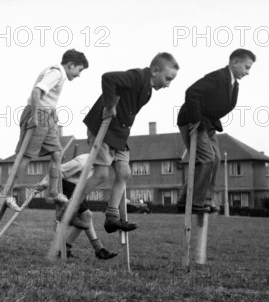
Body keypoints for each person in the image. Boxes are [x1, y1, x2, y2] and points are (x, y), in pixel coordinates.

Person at [79, 52, 180, 233]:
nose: (168, 84)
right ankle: (72, 204)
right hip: (103, 128)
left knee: (124, 173)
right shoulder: (137, 77)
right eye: (167, 78)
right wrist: (110, 106)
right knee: (101, 174)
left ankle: (111, 217)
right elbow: (108, 78)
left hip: (119, 133)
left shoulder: (148, 91)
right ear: (155, 70)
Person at [5, 49, 89, 211]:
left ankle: (54, 191)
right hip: (38, 115)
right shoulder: (56, 72)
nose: (79, 75)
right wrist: (36, 117)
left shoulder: (59, 74)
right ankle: (7, 194)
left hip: (47, 115)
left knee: (58, 152)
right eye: (79, 70)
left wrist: (52, 110)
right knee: (26, 156)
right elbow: (36, 92)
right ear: (71, 65)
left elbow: (46, 96)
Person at [176, 48, 256, 213]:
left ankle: (189, 199)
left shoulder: (234, 85)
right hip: (193, 120)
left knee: (216, 159)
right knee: (206, 158)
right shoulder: (218, 77)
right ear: (235, 62)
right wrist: (196, 119)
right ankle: (195, 202)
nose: (248, 72)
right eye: (246, 67)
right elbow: (192, 92)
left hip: (208, 124)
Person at [58, 153, 118, 260]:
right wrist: (53, 191)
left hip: (79, 188)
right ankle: (99, 249)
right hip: (66, 186)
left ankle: (66, 249)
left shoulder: (100, 168)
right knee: (87, 215)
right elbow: (58, 172)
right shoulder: (82, 162)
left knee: (85, 218)